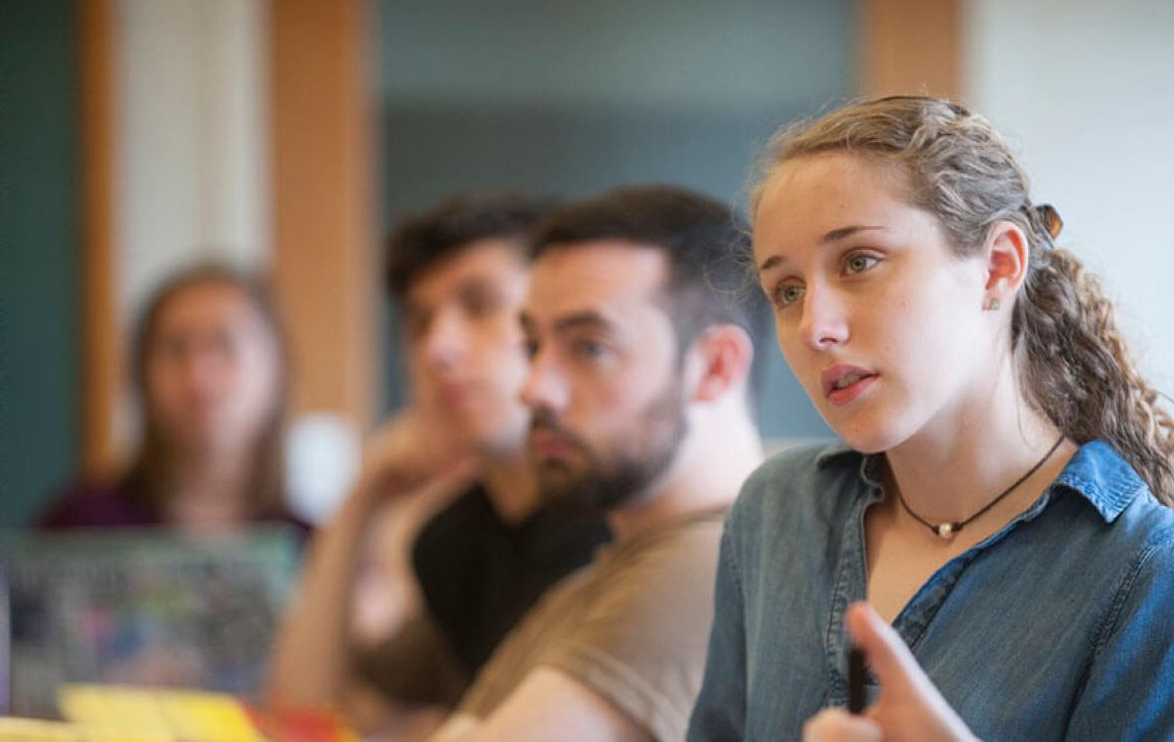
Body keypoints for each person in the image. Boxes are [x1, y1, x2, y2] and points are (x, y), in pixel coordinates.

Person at [687, 95, 1174, 741]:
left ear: (999, 266)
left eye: (859, 261)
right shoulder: (775, 510)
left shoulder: (1143, 572)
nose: (815, 328)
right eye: (788, 290)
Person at [429, 185, 769, 742]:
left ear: (715, 368)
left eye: (590, 348)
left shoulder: (717, 567)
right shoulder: (589, 586)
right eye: (533, 346)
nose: (535, 389)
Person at [268, 193, 611, 736]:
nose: (437, 350)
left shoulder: (617, 527)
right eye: (420, 323)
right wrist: (363, 497)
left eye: (480, 305)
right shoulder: (451, 541)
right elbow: (310, 709)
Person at [38, 262, 308, 533]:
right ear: (142, 372)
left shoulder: (314, 551)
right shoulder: (80, 526)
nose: (197, 375)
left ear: (278, 368)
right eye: (176, 349)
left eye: (224, 345)